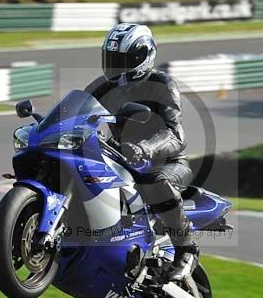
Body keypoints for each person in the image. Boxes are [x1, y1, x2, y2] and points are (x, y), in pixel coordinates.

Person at [84, 23, 198, 280]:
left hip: (167, 163)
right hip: (122, 159)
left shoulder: (162, 84)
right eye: (111, 59)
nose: (114, 67)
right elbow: (72, 111)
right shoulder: (103, 87)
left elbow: (176, 134)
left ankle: (186, 249)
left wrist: (146, 148)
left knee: (153, 181)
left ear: (142, 58)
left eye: (121, 60)